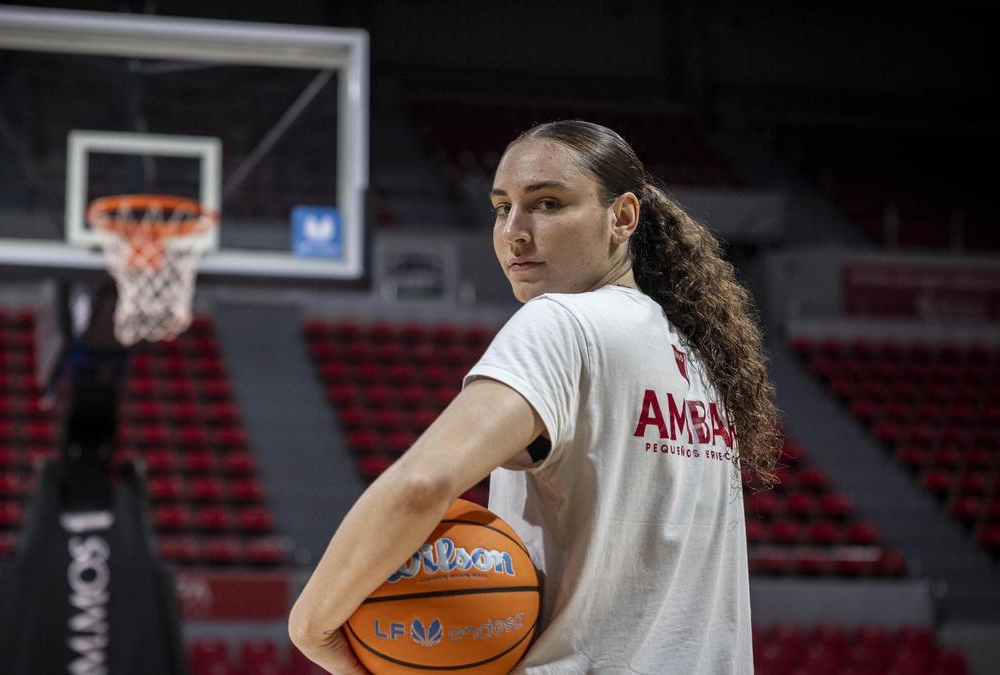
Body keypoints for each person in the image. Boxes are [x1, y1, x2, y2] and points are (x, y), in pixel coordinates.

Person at [289, 120, 781, 673]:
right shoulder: (697, 356)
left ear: (621, 217)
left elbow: (421, 485)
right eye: (502, 208)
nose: (514, 232)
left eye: (547, 204)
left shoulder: (561, 322)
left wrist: (310, 627)